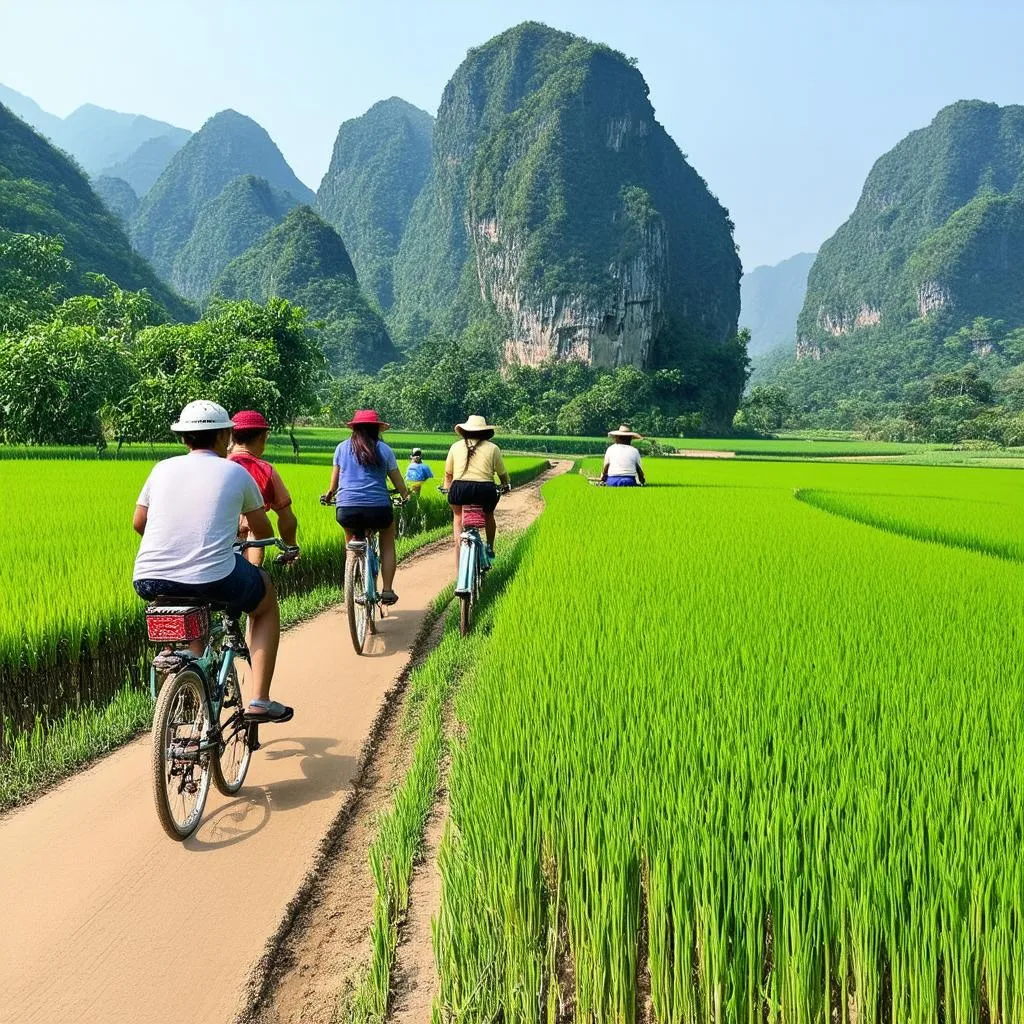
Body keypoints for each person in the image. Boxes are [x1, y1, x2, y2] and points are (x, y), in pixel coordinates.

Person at [132, 400, 293, 723]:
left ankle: (190, 671)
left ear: (183, 438)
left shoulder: (161, 469)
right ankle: (259, 699)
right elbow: (261, 530)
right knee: (264, 601)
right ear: (224, 436)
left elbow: (139, 523)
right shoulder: (234, 471)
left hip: (149, 577)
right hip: (214, 576)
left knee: (188, 603)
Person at [321, 409, 410, 606]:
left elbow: (333, 486)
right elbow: (398, 482)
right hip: (379, 509)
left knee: (351, 541)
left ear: (354, 429)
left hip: (347, 509)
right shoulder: (384, 450)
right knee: (387, 540)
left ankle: (354, 576)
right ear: (376, 430)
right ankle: (387, 590)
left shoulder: (341, 449)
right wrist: (405, 495)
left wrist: (328, 496)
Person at [227, 410, 300, 567]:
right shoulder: (265, 470)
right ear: (262, 437)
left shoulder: (218, 464)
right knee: (255, 582)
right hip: (250, 541)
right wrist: (291, 547)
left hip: (213, 544)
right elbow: (286, 516)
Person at [444, 414, 511, 569]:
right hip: (485, 489)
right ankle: (489, 547)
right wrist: (506, 484)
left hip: (459, 488)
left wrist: (447, 489)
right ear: (485, 431)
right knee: (488, 514)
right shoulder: (493, 448)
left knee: (458, 516)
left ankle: (459, 557)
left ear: (465, 430)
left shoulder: (455, 447)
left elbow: (448, 474)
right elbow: (502, 474)